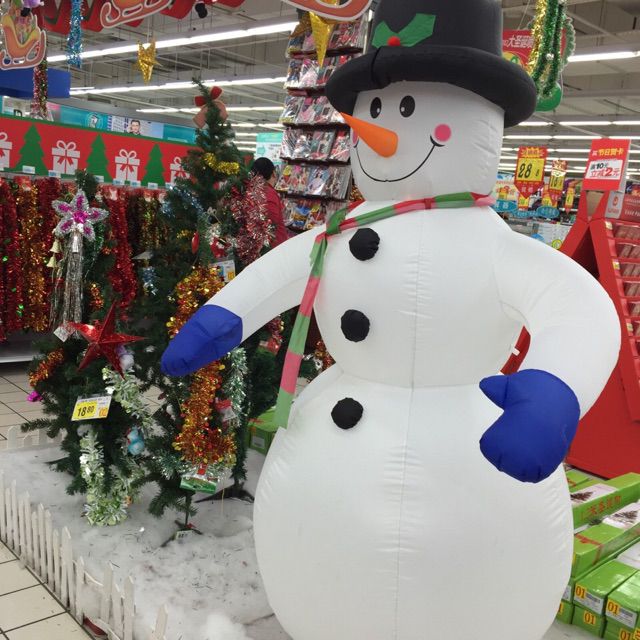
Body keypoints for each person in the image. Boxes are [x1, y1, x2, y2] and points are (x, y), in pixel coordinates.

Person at [252, 157, 289, 246]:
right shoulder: (269, 193)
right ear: (273, 173)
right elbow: (271, 225)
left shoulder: (253, 190)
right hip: (274, 247)